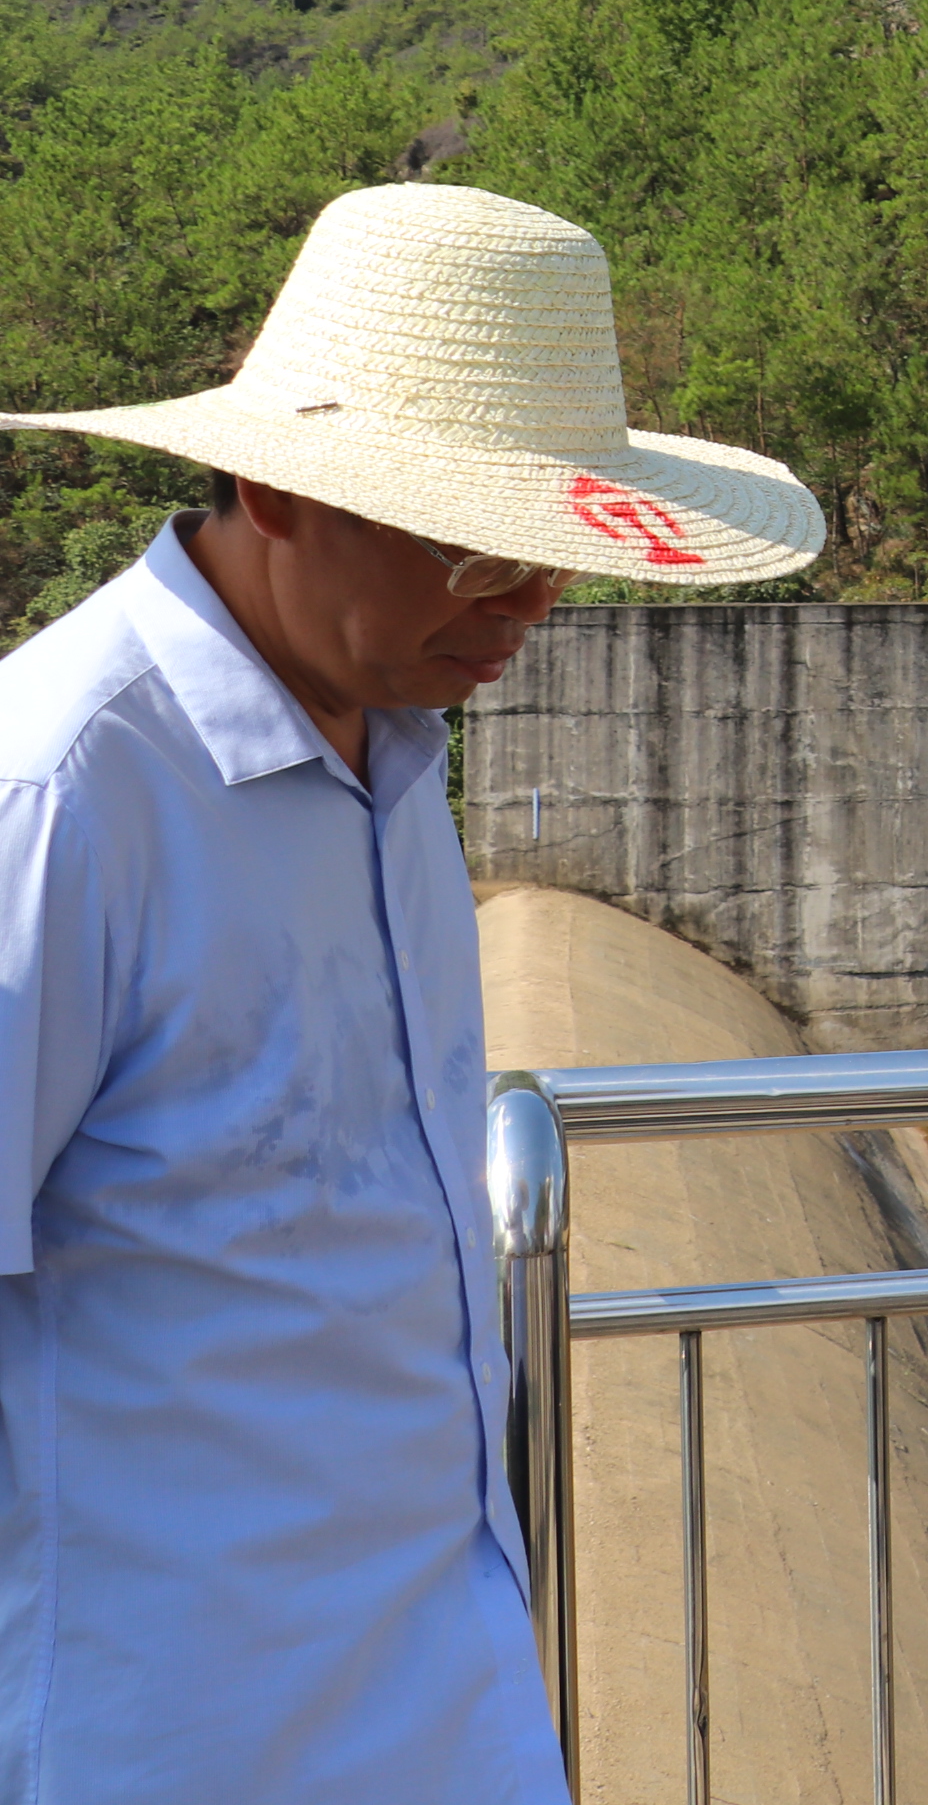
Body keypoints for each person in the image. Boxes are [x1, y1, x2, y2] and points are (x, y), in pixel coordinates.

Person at [0, 181, 822, 1800]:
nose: (529, 608)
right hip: (162, 1735)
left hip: (444, 1696)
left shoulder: (389, 756)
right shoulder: (67, 795)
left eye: (557, 559)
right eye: (477, 554)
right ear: (274, 487)